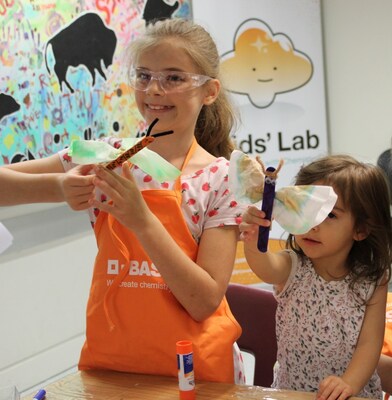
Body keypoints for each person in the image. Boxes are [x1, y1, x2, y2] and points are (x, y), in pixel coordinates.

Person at [0, 18, 245, 383]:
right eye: (144, 76)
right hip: (115, 365)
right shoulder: (103, 155)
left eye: (173, 78)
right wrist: (57, 187)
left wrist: (141, 219)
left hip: (195, 371)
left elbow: (203, 300)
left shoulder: (221, 178)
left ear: (209, 91)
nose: (153, 90)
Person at [240, 154, 392, 399]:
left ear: (361, 229)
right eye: (306, 209)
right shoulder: (293, 265)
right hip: (292, 393)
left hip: (352, 395)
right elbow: (265, 266)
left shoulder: (373, 280)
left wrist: (348, 384)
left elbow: (370, 345)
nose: (313, 224)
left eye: (330, 215)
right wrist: (253, 238)